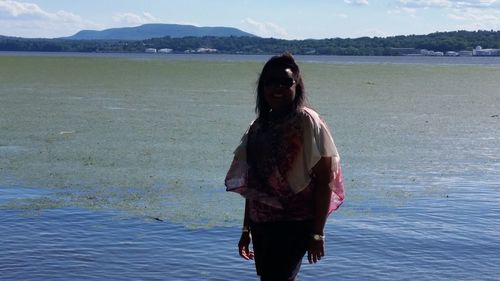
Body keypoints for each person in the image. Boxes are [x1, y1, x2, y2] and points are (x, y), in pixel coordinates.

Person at [225, 53, 345, 281]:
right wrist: (245, 230)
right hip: (262, 224)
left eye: (285, 81)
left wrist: (318, 233)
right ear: (262, 88)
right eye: (270, 82)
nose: (277, 87)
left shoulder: (306, 122)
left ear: (296, 85)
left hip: (295, 222)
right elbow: (254, 186)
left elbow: (325, 179)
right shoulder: (259, 126)